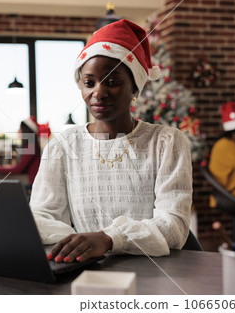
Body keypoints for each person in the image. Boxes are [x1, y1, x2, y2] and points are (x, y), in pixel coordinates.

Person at [30, 19, 192, 263]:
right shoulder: (63, 145)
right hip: (85, 269)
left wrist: (108, 239)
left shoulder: (167, 142)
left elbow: (174, 226)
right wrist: (80, 243)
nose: (98, 92)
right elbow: (42, 216)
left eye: (113, 81)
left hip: (154, 271)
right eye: (89, 82)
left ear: (135, 87)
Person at [0, 116, 50, 187]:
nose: (18, 131)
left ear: (25, 131)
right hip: (36, 184)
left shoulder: (31, 146)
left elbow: (18, 169)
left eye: (20, 129)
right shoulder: (33, 145)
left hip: (36, 186)